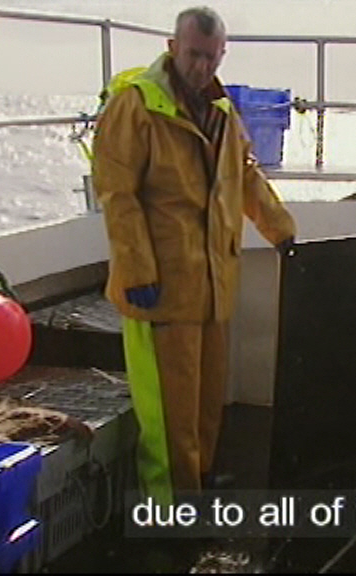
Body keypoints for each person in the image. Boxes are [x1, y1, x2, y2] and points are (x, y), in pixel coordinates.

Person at [92, 5, 296, 506]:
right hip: (158, 287)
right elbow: (117, 193)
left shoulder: (222, 112)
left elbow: (246, 178)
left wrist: (283, 232)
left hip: (210, 286)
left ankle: (199, 482)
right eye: (192, 55)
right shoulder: (135, 106)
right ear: (171, 48)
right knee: (168, 413)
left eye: (210, 56)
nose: (201, 67)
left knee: (205, 401)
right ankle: (170, 506)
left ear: (222, 54)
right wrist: (137, 270)